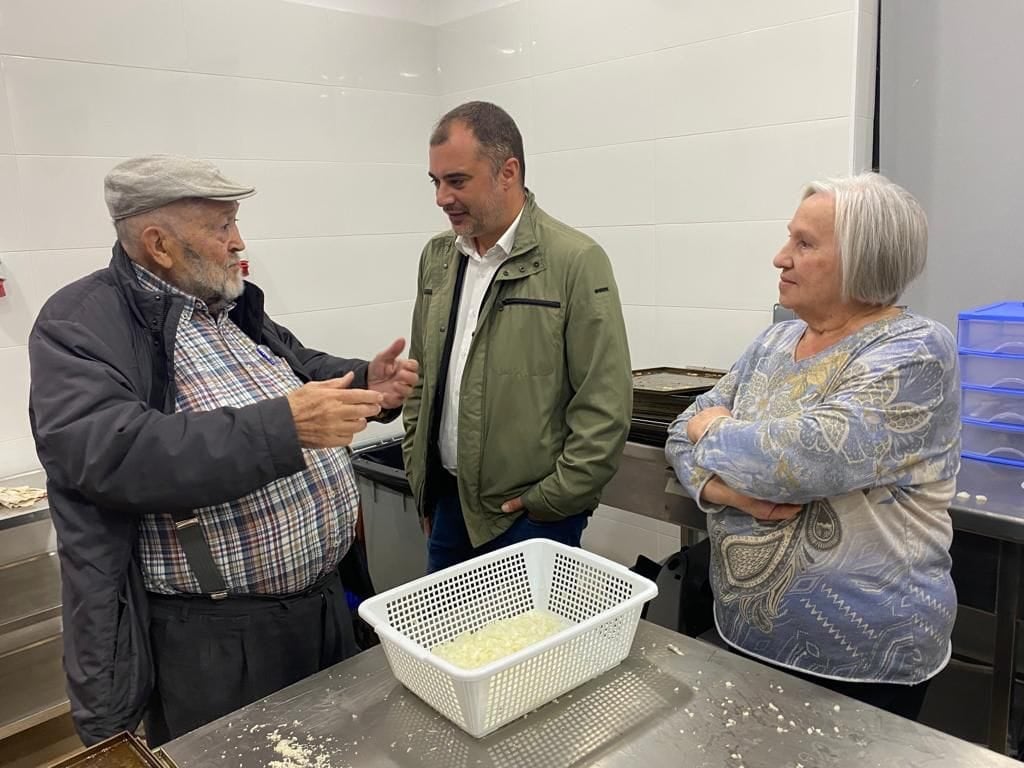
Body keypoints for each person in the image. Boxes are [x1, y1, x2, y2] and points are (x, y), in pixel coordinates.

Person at [28, 155, 419, 746]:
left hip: (322, 604)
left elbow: (298, 369)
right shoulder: (79, 324)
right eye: (221, 226)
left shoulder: (227, 308)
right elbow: (116, 454)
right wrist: (286, 427)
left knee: (344, 749)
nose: (239, 241)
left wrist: (368, 382)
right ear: (159, 244)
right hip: (219, 639)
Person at [666, 173, 960, 720]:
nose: (781, 257)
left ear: (864, 260)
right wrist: (730, 494)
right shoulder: (775, 341)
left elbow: (805, 459)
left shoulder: (916, 351)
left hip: (863, 660)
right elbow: (680, 427)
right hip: (746, 634)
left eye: (804, 244)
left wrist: (714, 430)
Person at [402, 102, 632, 573]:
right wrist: (421, 478)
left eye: (457, 181)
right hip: (448, 507)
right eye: (435, 182)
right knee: (448, 624)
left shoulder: (574, 261)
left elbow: (604, 404)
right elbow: (420, 379)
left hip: (530, 517)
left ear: (508, 172)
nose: (442, 198)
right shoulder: (438, 259)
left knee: (532, 627)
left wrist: (554, 499)